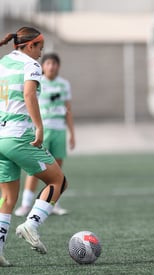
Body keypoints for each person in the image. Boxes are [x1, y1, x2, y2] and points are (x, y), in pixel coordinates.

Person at [0, 27, 68, 267]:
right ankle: (31, 225)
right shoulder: (31, 65)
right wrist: (39, 127)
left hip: (0, 137)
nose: (41, 52)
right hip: (19, 136)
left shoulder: (3, 62)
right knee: (58, 181)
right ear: (30, 46)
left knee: (7, 198)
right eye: (40, 47)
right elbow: (29, 94)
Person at [14, 53, 74, 217]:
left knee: (57, 169)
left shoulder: (64, 84)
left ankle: (54, 204)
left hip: (59, 131)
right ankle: (26, 204)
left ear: (58, 66)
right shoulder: (37, 81)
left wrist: (72, 133)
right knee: (35, 168)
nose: (51, 66)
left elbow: (68, 109)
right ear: (43, 66)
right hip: (42, 130)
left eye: (54, 63)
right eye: (48, 63)